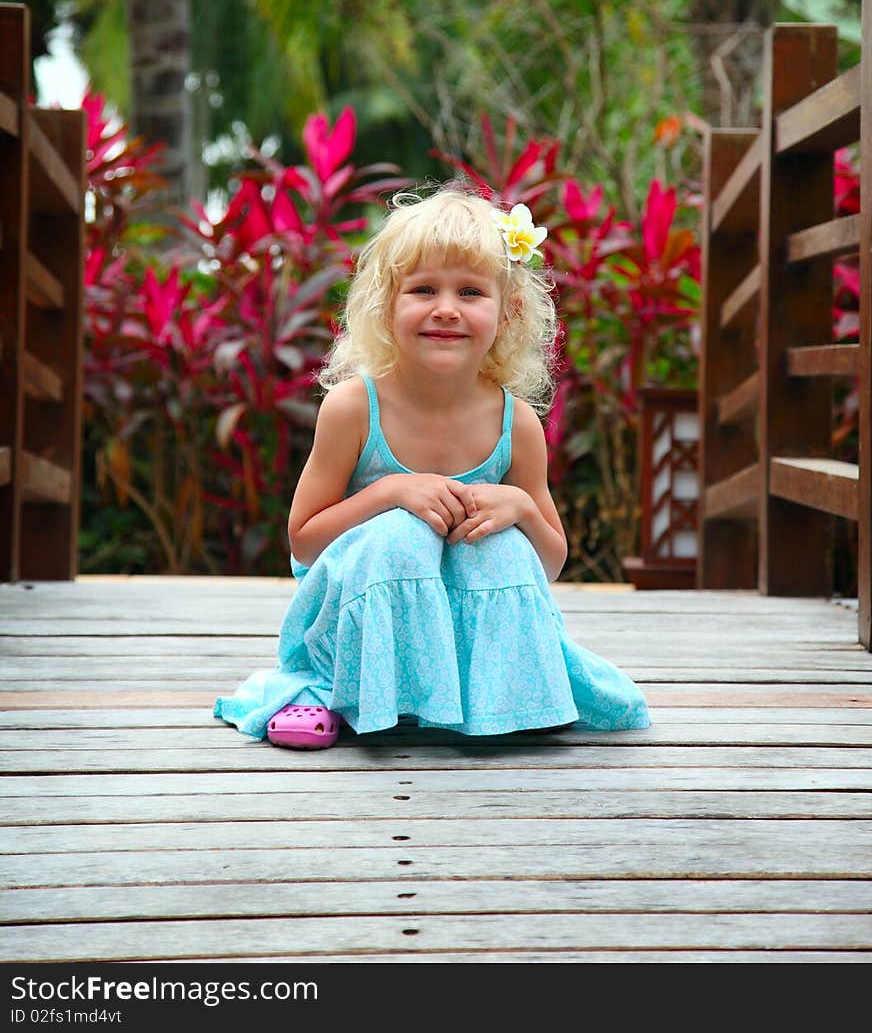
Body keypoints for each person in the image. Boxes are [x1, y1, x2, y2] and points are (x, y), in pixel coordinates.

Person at [214, 183, 651, 748]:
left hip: (463, 632)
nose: (446, 309)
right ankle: (332, 690)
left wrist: (518, 506)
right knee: (401, 532)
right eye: (424, 289)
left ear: (509, 311)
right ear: (387, 305)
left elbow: (549, 562)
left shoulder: (514, 424)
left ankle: (494, 697)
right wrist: (391, 491)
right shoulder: (354, 408)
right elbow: (303, 543)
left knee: (499, 540)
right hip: (354, 618)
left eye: (470, 291)